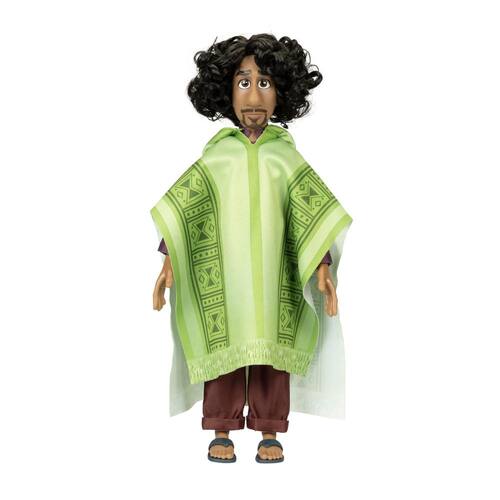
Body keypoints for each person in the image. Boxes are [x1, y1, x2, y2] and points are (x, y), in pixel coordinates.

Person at [151, 34, 352, 463]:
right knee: (223, 350)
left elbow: (309, 213)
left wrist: (322, 266)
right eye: (244, 83)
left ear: (282, 92)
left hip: (274, 280)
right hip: (225, 280)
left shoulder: (286, 159)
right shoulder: (217, 157)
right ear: (226, 91)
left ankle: (269, 430)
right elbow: (187, 209)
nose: (255, 97)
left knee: (270, 356)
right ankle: (221, 427)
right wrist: (169, 261)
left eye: (265, 84)